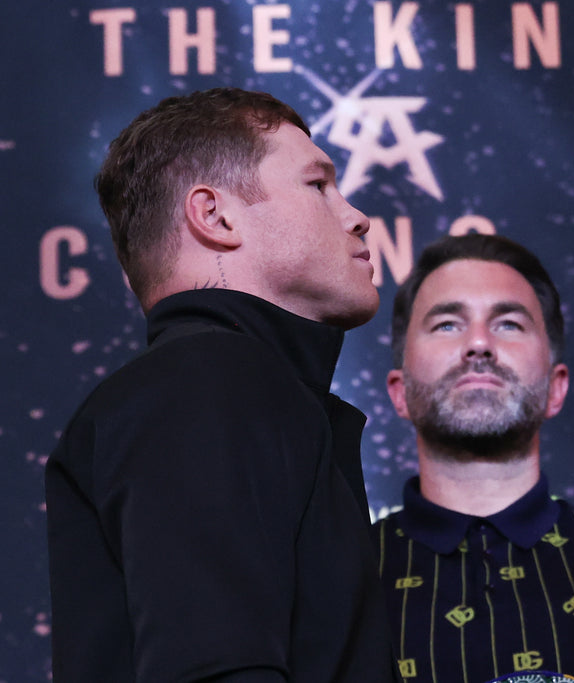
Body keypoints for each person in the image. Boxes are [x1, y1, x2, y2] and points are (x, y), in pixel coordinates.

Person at [46, 88, 400, 682]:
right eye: (318, 185)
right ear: (215, 216)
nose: (356, 215)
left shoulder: (225, 387)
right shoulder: (209, 384)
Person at [373, 233, 574, 683]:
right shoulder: (337, 579)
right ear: (398, 392)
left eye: (508, 324)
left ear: (557, 387)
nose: (478, 344)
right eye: (446, 324)